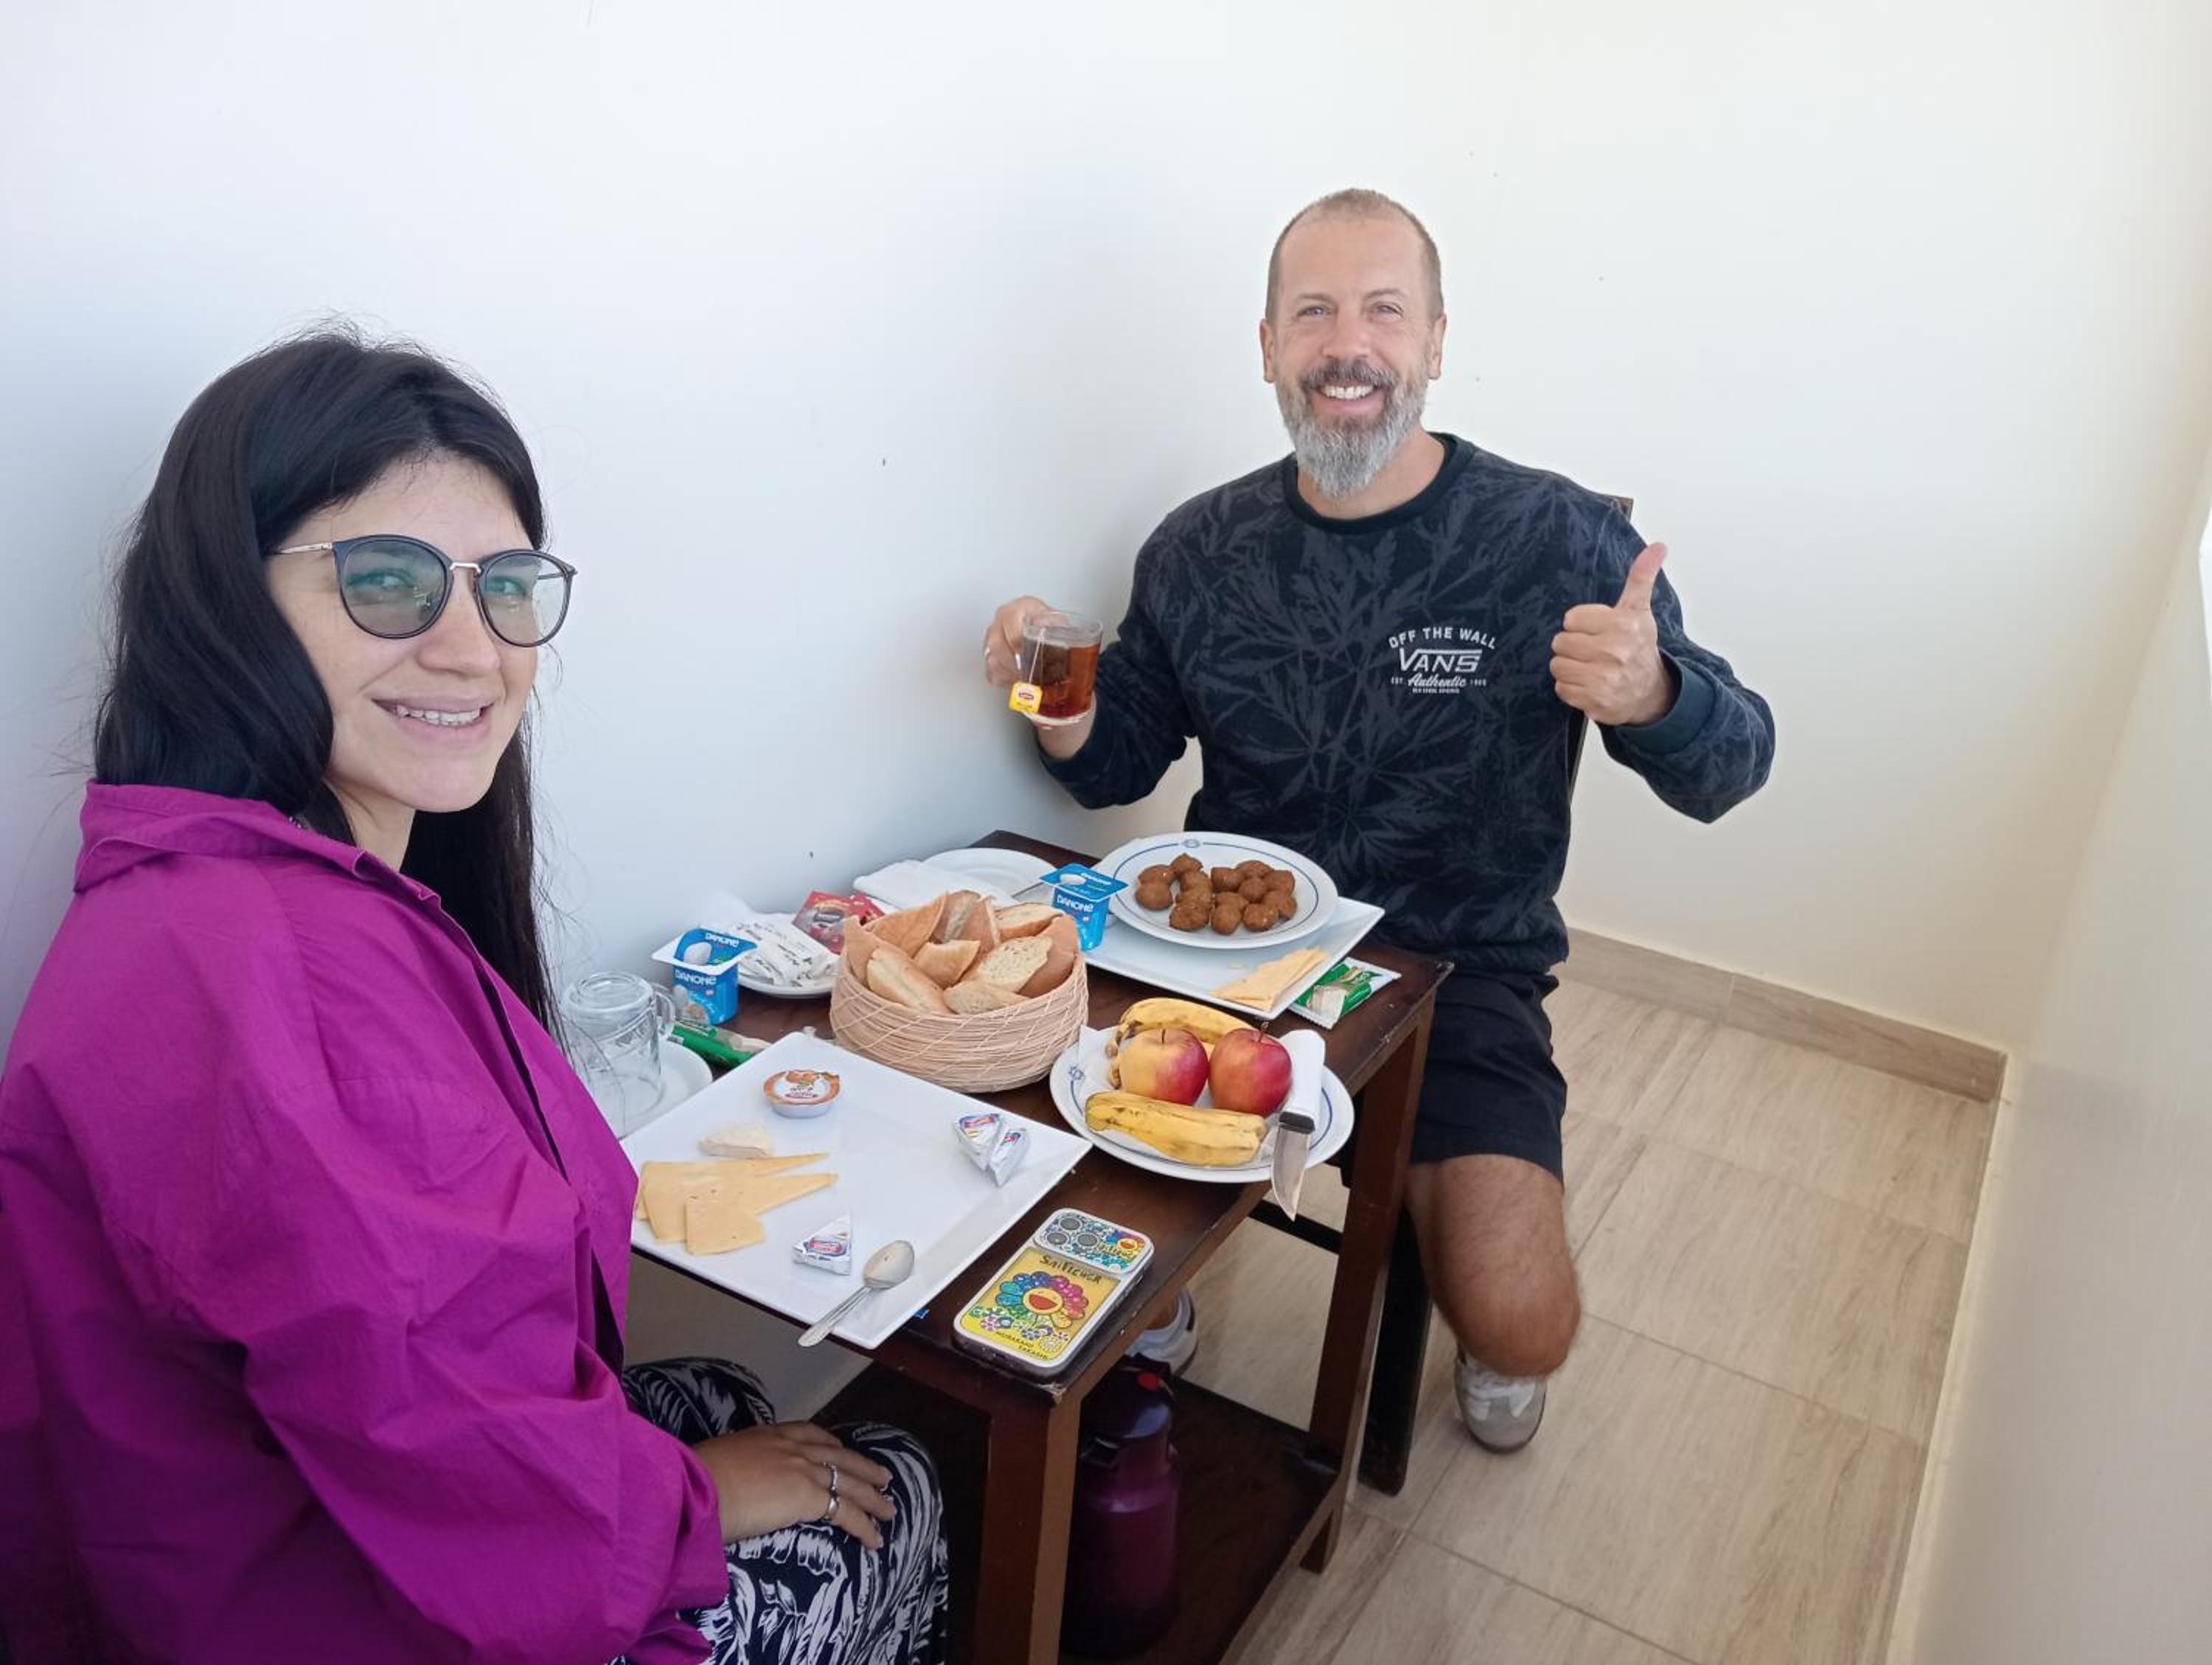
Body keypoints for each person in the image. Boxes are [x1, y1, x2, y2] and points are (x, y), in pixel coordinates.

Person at [0, 330, 948, 1663]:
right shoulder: (283, 969)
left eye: (506, 587)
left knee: (726, 1388)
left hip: (236, 1544)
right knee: (898, 1480)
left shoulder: (213, 882)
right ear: (228, 599)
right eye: (386, 580)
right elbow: (453, 1444)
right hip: (319, 1606)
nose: (470, 648)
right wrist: (695, 1504)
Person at [984, 190, 1774, 1453]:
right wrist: (1051, 690)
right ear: (1268, 347)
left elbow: (1733, 767)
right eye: (1314, 313)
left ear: (1437, 341)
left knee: (1524, 1322)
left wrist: (1656, 695)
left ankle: (1463, 1312)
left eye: (1384, 311)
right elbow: (1109, 764)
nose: (1347, 345)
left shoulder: (1558, 537)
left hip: (1457, 971)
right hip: (1223, 962)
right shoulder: (1198, 547)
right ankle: (1157, 1287)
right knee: (1034, 1130)